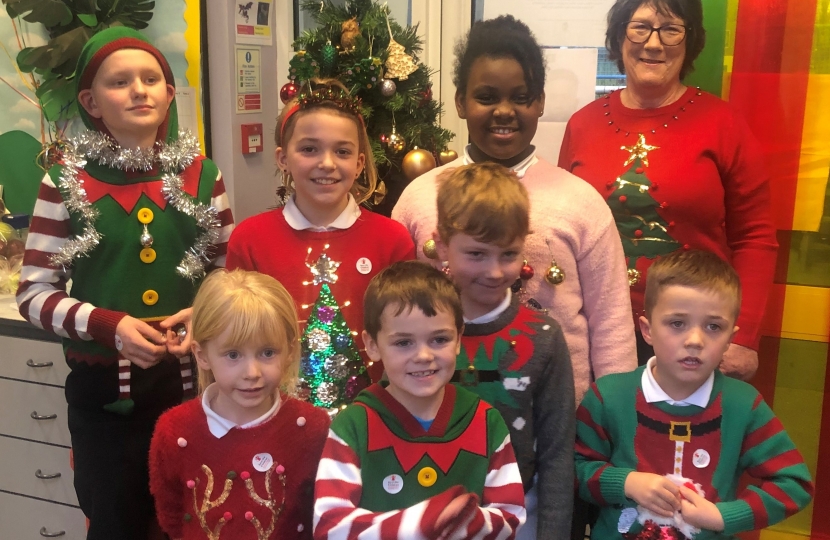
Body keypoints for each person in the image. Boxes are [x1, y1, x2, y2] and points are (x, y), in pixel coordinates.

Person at [16, 27, 234, 540]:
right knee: (118, 521)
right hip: (105, 398)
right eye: (120, 82)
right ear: (92, 101)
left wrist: (203, 312)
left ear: (168, 94)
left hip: (194, 386)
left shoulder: (204, 176)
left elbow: (228, 274)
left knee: (196, 517)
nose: (139, 90)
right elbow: (33, 294)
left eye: (151, 78)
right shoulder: (63, 182)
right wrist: (109, 326)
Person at [393, 15, 636, 409]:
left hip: (556, 424)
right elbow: (394, 312)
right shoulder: (420, 197)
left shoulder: (580, 202)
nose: (504, 111)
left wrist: (614, 422)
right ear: (460, 101)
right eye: (487, 97)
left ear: (539, 101)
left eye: (520, 98)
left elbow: (612, 326)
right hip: (439, 419)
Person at [558, 0, 777, 379]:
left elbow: (755, 237)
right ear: (619, 37)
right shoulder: (582, 125)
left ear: (689, 42)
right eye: (640, 27)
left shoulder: (723, 123)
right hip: (597, 332)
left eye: (671, 29)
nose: (654, 44)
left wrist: (744, 335)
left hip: (693, 339)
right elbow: (562, 229)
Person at [574, 250, 813, 539]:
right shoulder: (607, 396)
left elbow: (793, 484)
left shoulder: (744, 406)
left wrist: (723, 516)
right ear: (647, 330)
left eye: (714, 327)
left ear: (730, 339)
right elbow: (574, 470)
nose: (695, 340)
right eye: (677, 323)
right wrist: (626, 482)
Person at [313, 261, 526, 539]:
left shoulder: (486, 422)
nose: (424, 356)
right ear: (373, 345)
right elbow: (329, 525)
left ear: (459, 339)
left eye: (439, 339)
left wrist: (464, 520)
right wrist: (423, 523)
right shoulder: (353, 425)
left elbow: (510, 516)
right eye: (403, 343)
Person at [226, 79, 414, 388]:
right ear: (283, 159)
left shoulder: (392, 240)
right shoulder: (250, 239)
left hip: (372, 415)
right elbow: (236, 334)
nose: (326, 163)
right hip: (276, 410)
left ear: (359, 164)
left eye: (342, 151)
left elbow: (408, 333)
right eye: (309, 149)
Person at [433, 162, 575, 539]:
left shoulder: (543, 337)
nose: (495, 272)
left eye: (509, 254)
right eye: (477, 254)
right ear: (443, 245)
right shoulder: (419, 332)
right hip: (428, 510)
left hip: (518, 518)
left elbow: (558, 451)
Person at [149, 269, 330, 540]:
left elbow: (324, 514)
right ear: (202, 355)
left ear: (290, 350)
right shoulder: (175, 431)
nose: (252, 372)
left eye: (267, 353)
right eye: (233, 355)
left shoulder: (313, 428)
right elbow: (171, 515)